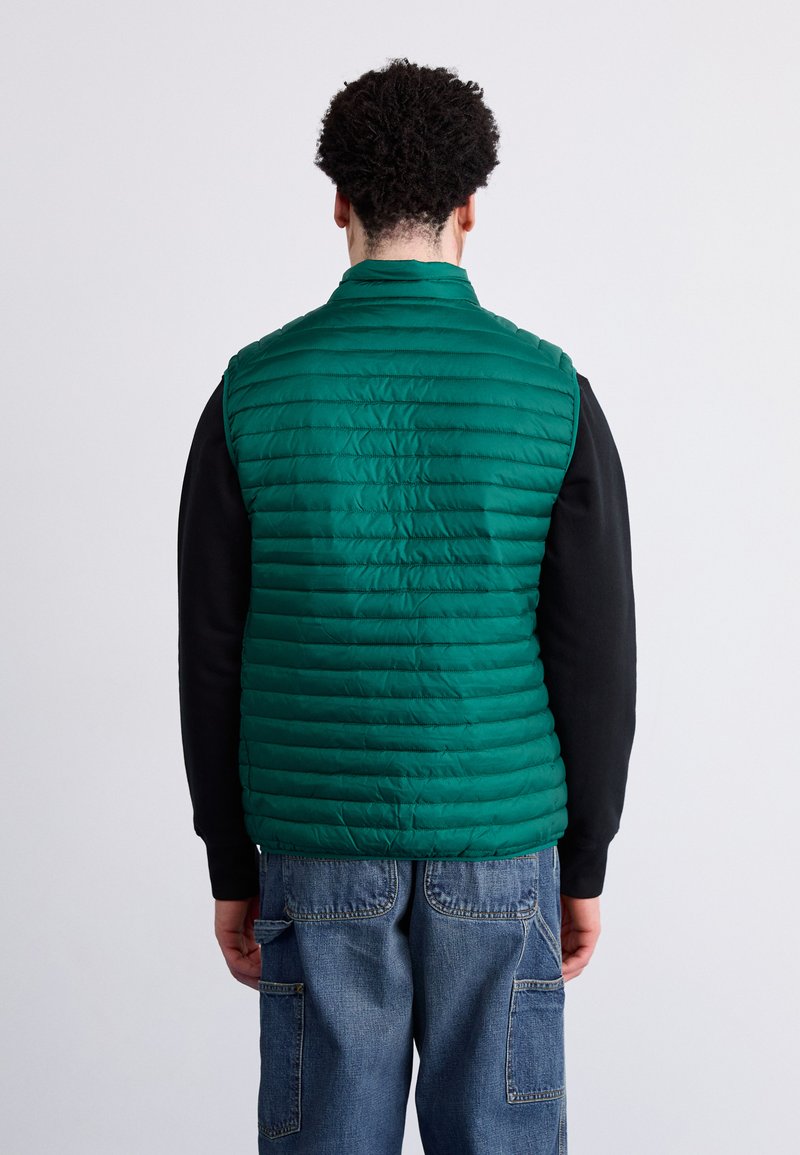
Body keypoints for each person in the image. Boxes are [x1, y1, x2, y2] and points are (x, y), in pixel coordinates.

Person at [178, 57, 636, 1155]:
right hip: (501, 846)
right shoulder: (551, 392)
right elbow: (595, 656)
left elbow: (210, 650)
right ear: (470, 206)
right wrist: (583, 861)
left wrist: (230, 861)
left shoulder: (250, 392)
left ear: (337, 201)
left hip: (313, 846)